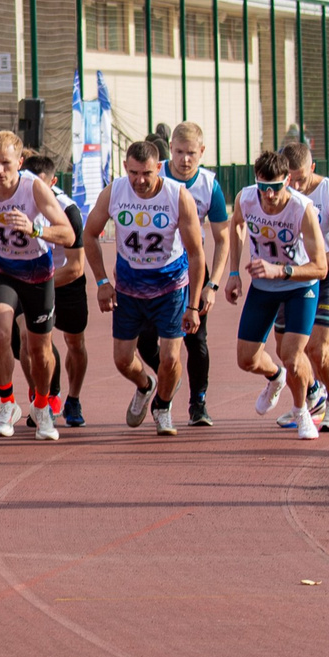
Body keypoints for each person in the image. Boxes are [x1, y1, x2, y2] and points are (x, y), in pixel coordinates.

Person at [85, 139, 206, 436]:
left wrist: (193, 304)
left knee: (170, 357)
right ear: (125, 168)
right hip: (129, 288)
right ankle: (145, 385)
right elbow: (89, 234)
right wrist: (102, 281)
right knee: (123, 360)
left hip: (170, 287)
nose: (139, 181)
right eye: (134, 173)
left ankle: (163, 408)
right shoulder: (114, 192)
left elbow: (196, 253)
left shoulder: (177, 196)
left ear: (159, 169)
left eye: (147, 174)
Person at [0, 132, 77, 439]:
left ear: (20, 162)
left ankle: (42, 406)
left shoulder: (34, 189)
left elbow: (67, 235)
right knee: (0, 332)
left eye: (6, 164)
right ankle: (7, 404)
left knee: (38, 349)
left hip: (36, 271)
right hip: (0, 267)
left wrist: (34, 228)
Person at [224, 151, 328, 441]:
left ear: (289, 181)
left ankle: (301, 411)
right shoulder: (246, 199)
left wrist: (280, 271)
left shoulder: (302, 209)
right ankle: (275, 377)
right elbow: (237, 225)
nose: (269, 196)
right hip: (263, 285)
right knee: (246, 359)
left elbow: (320, 268)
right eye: (263, 188)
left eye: (276, 188)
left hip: (298, 286)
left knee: (292, 356)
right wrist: (234, 272)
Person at [278, 141, 329, 431]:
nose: (295, 185)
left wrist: (312, 266)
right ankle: (314, 396)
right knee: (286, 351)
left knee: (317, 349)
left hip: (326, 272)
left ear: (313, 168)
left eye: (301, 178)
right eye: (290, 179)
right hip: (294, 275)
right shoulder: (277, 191)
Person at [165, 122, 233, 427]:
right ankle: (168, 375)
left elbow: (222, 238)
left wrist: (213, 284)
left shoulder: (209, 185)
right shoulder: (154, 176)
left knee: (196, 340)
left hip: (194, 269)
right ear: (170, 150)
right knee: (145, 338)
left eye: (191, 153)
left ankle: (198, 402)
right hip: (157, 269)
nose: (185, 160)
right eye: (179, 152)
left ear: (202, 152)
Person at [32, 151, 92, 429]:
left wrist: (43, 284)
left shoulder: (68, 211)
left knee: (75, 343)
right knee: (32, 342)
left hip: (64, 280)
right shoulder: (16, 201)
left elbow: (77, 267)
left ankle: (74, 398)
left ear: (53, 181)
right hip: (32, 278)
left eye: (42, 187)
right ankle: (45, 396)